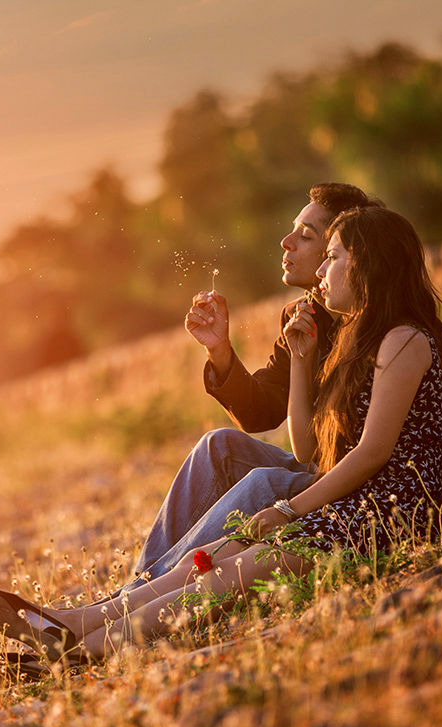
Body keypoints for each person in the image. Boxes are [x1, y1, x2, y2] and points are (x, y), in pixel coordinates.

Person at [0, 205, 442, 661]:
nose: (320, 271)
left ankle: (86, 652)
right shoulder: (359, 341)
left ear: (366, 264)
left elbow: (374, 453)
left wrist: (286, 509)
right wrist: (301, 360)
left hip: (390, 520)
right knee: (211, 555)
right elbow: (310, 451)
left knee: (227, 573)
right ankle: (73, 624)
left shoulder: (404, 339)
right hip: (352, 508)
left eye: (332, 256)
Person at [114, 183, 382, 599]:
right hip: (318, 466)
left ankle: (132, 600)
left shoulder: (373, 324)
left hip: (348, 484)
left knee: (263, 482)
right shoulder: (304, 313)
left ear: (346, 251)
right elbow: (262, 413)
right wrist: (220, 350)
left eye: (306, 236)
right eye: (293, 229)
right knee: (216, 446)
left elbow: (360, 448)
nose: (286, 241)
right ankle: (139, 587)